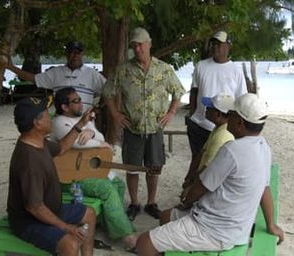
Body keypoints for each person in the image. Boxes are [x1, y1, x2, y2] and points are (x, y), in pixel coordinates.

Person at [136, 93, 284, 255]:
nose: (228, 117)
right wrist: (271, 224)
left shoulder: (232, 150)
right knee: (165, 216)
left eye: (231, 115)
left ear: (240, 123)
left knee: (144, 243)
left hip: (213, 230)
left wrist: (186, 201)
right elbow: (265, 188)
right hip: (235, 227)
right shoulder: (263, 147)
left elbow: (200, 188)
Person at [103, 27, 185, 221]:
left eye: (140, 45)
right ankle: (134, 202)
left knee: (154, 167)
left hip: (155, 129)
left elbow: (179, 92)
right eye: (134, 46)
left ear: (149, 44)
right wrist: (115, 114)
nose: (137, 49)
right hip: (132, 129)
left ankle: (151, 202)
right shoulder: (123, 70)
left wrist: (171, 112)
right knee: (132, 168)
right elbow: (107, 93)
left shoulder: (164, 69)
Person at [50, 87, 137, 250]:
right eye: (76, 101)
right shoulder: (58, 122)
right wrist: (99, 144)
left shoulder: (85, 119)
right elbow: (75, 143)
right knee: (107, 189)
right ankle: (128, 237)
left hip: (86, 170)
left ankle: (105, 222)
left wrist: (91, 133)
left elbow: (100, 136)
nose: (81, 103)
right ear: (64, 107)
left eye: (80, 99)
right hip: (69, 177)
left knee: (118, 184)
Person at [7, 97, 96, 255]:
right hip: (29, 222)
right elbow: (34, 207)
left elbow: (61, 148)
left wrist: (81, 124)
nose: (52, 118)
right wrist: (67, 227)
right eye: (47, 115)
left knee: (89, 214)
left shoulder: (39, 141)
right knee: (70, 244)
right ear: (37, 123)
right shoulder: (28, 160)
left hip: (52, 210)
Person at [187, 31, 247, 159]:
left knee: (218, 162)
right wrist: (192, 113)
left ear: (228, 46)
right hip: (199, 125)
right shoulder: (201, 66)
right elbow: (194, 90)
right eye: (213, 44)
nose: (215, 47)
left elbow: (241, 100)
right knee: (197, 160)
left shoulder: (236, 71)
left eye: (219, 44)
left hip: (224, 127)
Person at [7, 41, 105, 110]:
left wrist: (98, 107)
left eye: (77, 53)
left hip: (85, 124)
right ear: (66, 54)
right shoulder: (56, 73)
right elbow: (34, 79)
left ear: (82, 54)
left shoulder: (92, 74)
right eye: (71, 52)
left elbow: (109, 91)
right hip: (61, 122)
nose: (74, 56)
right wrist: (12, 67)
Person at [181, 93, 234, 196]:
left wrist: (191, 186)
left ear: (218, 114)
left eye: (209, 108)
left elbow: (206, 169)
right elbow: (201, 154)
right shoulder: (218, 128)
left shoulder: (222, 136)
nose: (206, 109)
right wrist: (190, 176)